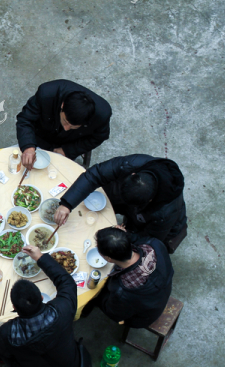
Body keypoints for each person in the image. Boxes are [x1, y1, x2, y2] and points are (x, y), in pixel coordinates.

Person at [53, 154, 187, 253]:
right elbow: (96, 174)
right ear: (133, 174)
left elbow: (150, 240)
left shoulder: (164, 212)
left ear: (149, 201)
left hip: (156, 227)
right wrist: (67, 203)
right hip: (134, 206)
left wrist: (126, 235)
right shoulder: (133, 164)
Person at [0, 246, 79, 367]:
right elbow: (66, 282)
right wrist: (40, 258)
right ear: (42, 297)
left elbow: (3, 351)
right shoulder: (63, 309)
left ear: (14, 307)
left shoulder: (8, 332)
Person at [86, 226, 174, 328]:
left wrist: (96, 296)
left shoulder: (123, 291)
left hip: (144, 317)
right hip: (162, 291)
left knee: (94, 297)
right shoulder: (154, 244)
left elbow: (113, 313)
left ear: (108, 259)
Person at [16, 79, 112, 169]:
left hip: (69, 142)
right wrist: (28, 146)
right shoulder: (46, 93)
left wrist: (68, 150)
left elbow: (98, 137)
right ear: (62, 105)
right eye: (65, 121)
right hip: (41, 135)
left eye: (73, 127)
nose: (66, 128)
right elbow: (25, 119)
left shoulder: (102, 115)